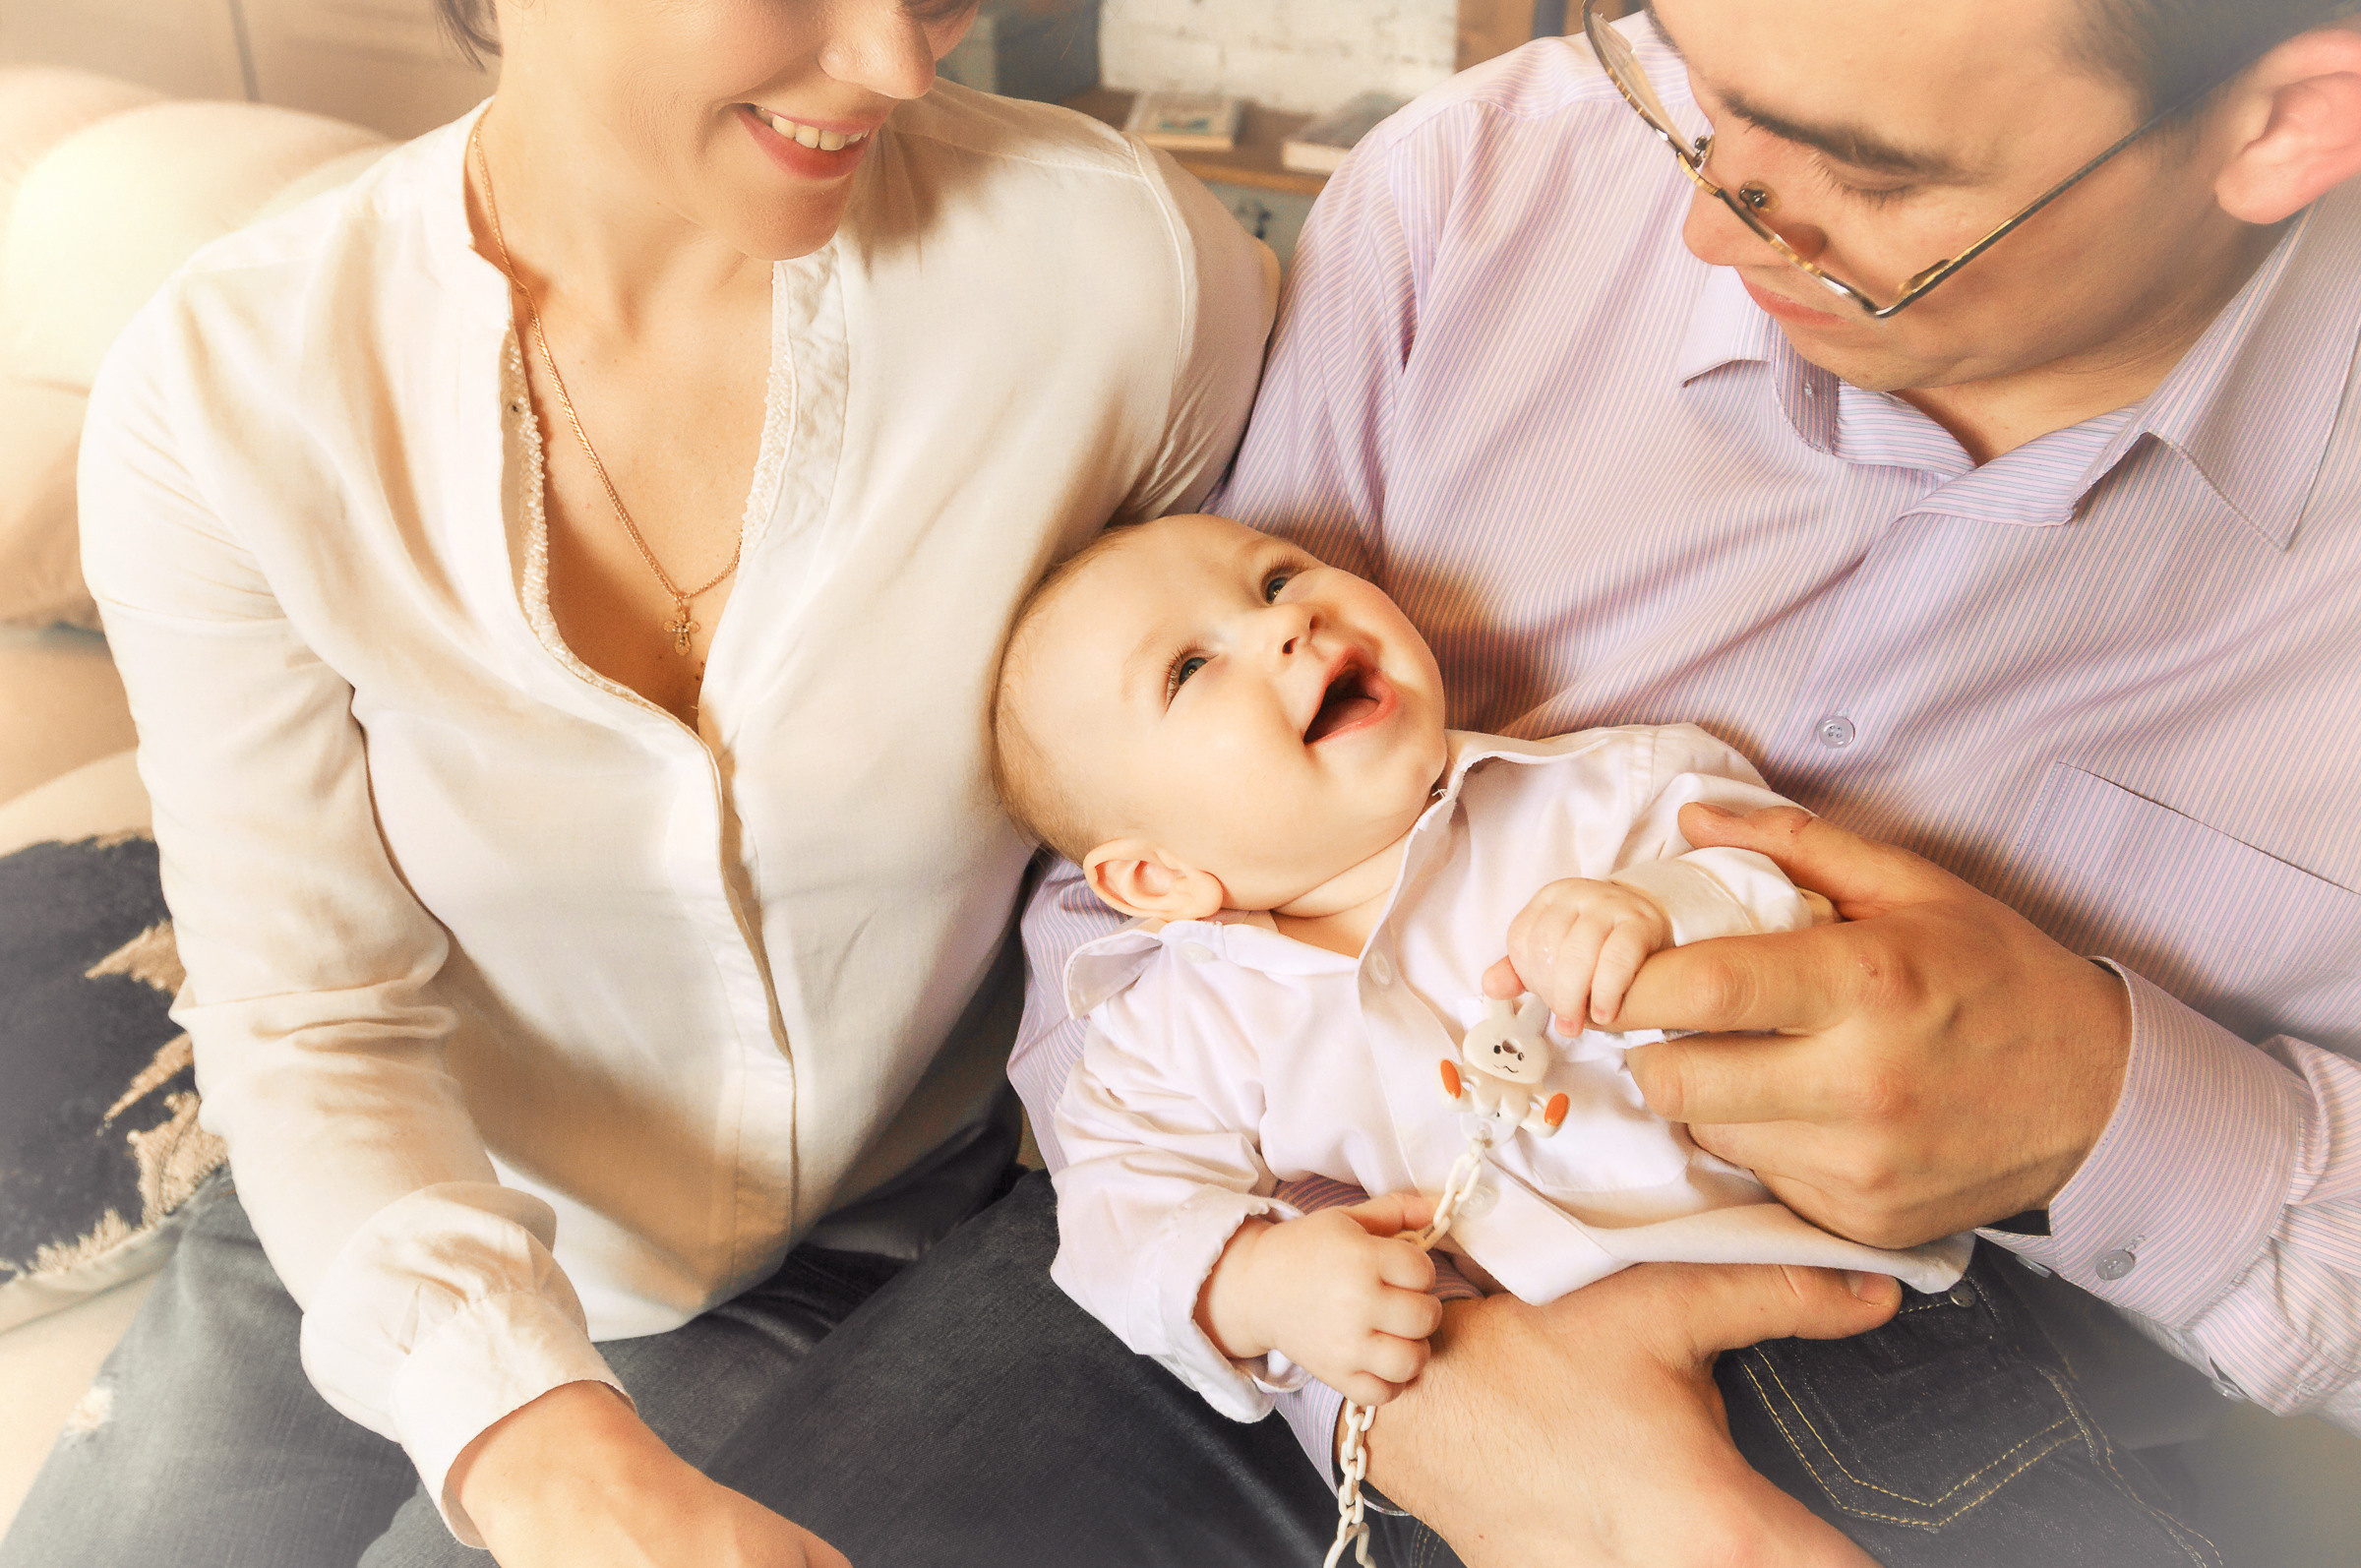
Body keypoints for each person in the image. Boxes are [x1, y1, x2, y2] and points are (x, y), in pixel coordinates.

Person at [685, 2, 2361, 1565]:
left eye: (1861, 168)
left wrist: (2119, 1113)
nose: (1703, 227)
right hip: (1300, 1272)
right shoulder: (1485, 191)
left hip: (1928, 1351)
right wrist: (1351, 1345)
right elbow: (1120, 877)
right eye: (1688, 81)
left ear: (2288, 124)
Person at [0, 0, 1275, 1563]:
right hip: (375, 1182)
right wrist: (534, 1444)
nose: (896, 62)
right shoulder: (225, 392)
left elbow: (1236, 807)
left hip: (859, 1228)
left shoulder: (1126, 277)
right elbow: (312, 1014)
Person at [992, 510, 2204, 1568]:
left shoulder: (1601, 794)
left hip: (1829, 1343)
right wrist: (1256, 1281)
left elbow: (1785, 898)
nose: (1286, 627)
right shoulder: (1168, 1027)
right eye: (1191, 667)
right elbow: (1117, 1220)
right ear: (1153, 875)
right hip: (1510, 1448)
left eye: (1277, 579)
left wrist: (1657, 907)